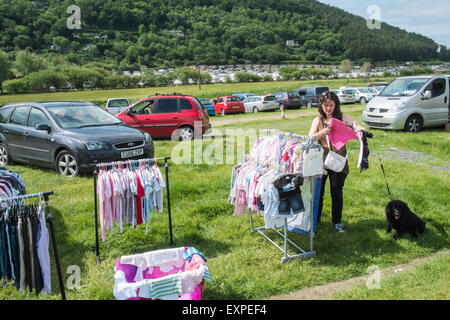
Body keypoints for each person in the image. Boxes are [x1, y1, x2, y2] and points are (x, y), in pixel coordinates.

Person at [308, 91, 365, 233]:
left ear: (336, 105)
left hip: (338, 160)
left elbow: (355, 125)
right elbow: (309, 138)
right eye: (325, 105)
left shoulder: (342, 117)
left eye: (331, 105)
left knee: (337, 191)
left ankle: (337, 222)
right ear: (321, 105)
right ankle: (316, 220)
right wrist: (319, 134)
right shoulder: (317, 120)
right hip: (321, 161)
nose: (328, 108)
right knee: (318, 192)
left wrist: (359, 130)